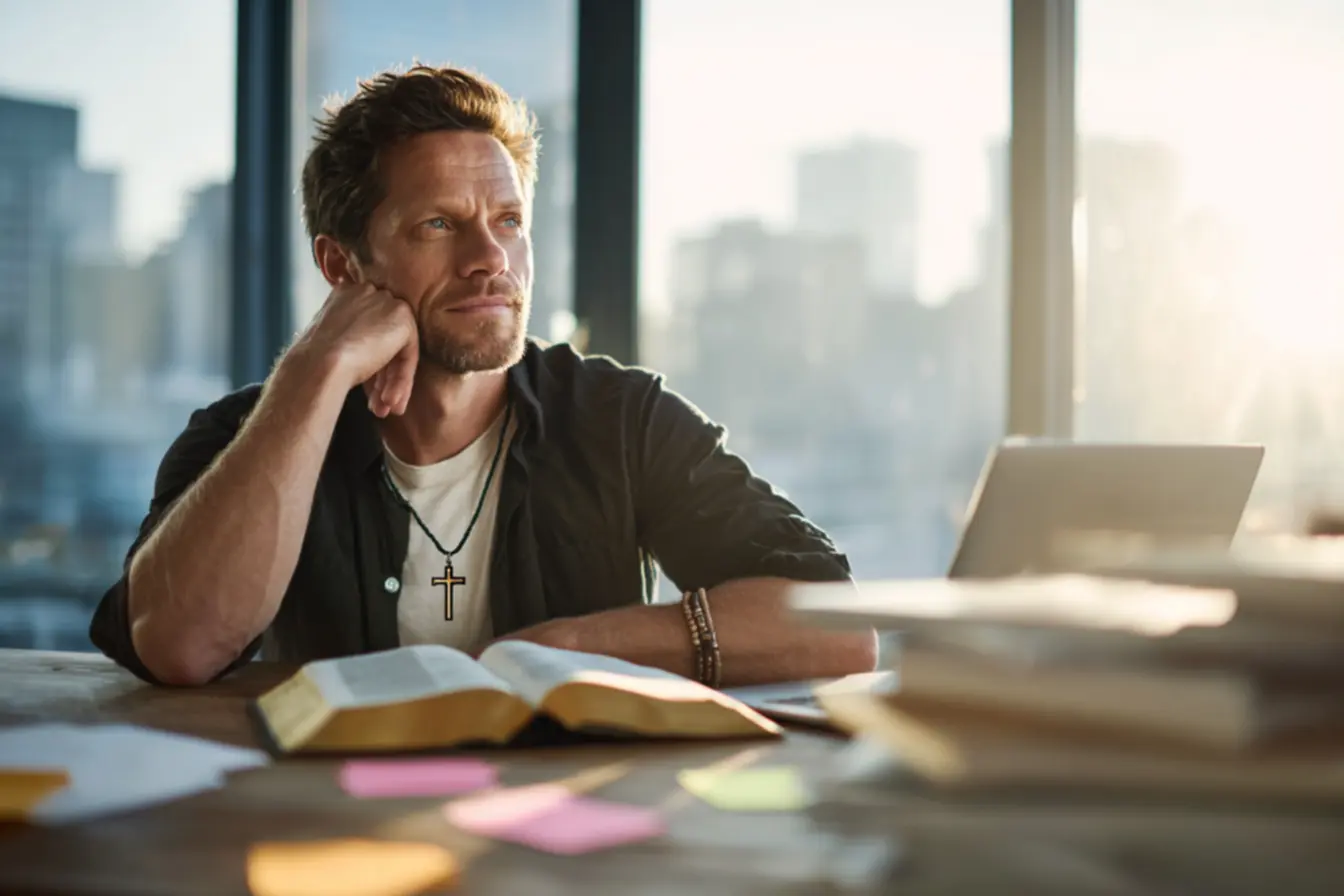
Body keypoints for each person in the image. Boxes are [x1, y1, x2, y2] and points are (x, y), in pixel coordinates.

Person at [89, 63, 876, 688]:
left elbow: (837, 628)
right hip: (326, 830)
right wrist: (315, 370)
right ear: (341, 263)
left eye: (508, 222)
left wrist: (573, 645)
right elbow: (177, 648)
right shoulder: (245, 436)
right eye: (439, 224)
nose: (490, 259)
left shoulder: (619, 418)